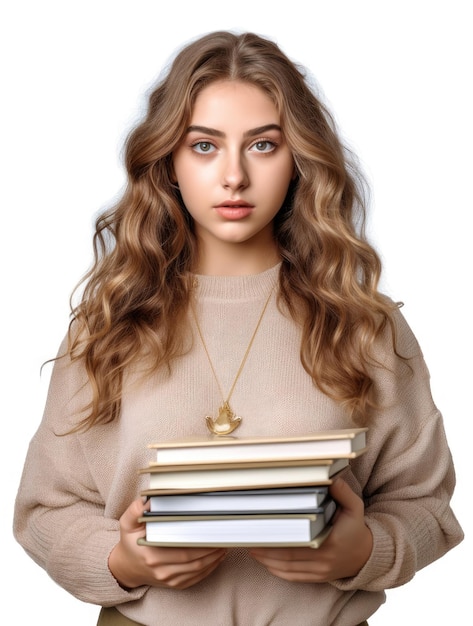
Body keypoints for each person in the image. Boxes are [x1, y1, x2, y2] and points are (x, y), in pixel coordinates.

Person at [13, 30, 463, 626]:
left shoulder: (364, 324)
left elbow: (426, 506)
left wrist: (366, 550)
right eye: (204, 146)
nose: (233, 177)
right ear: (170, 160)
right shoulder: (110, 324)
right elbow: (44, 511)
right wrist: (122, 562)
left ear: (299, 158)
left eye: (262, 146)